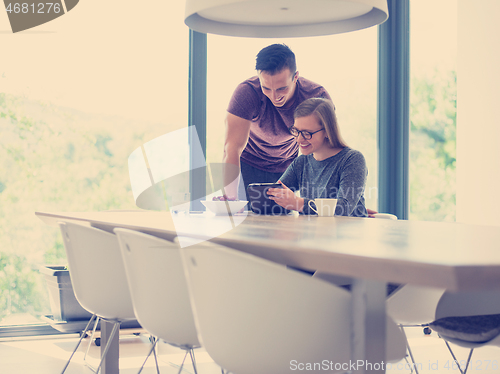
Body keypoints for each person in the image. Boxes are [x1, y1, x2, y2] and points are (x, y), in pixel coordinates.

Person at [222, 43, 332, 201]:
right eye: (266, 88)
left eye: (281, 88)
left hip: (288, 166)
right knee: (242, 220)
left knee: (285, 221)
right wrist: (230, 198)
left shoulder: (316, 96)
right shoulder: (247, 92)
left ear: (295, 77)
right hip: (248, 163)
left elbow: (327, 150)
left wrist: (345, 202)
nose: (274, 97)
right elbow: (231, 148)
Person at [267, 97, 368, 217]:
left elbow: (343, 208)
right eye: (296, 131)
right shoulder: (301, 162)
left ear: (327, 131)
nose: (299, 139)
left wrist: (299, 203)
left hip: (347, 234)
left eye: (306, 133)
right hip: (314, 233)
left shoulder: (352, 159)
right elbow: (274, 199)